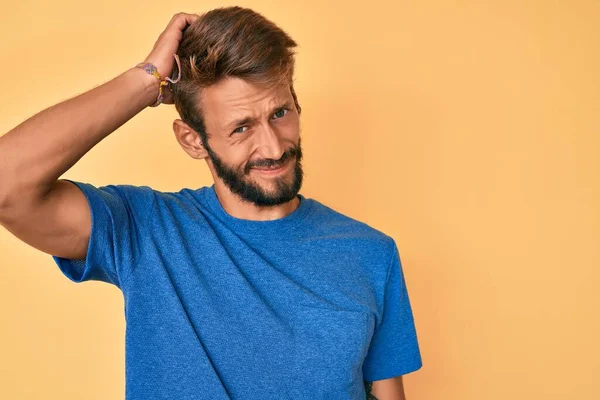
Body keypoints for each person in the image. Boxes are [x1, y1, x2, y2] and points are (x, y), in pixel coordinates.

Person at [0, 7, 421, 400]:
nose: (273, 147)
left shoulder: (371, 253)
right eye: (241, 128)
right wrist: (147, 80)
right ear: (192, 140)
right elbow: (7, 185)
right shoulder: (144, 231)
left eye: (280, 113)